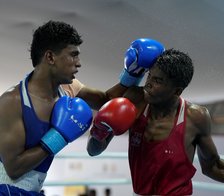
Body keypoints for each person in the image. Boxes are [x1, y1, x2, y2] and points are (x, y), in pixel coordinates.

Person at [87, 48, 224, 195]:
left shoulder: (196, 116)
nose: (148, 84)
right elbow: (93, 151)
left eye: (158, 81)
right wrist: (100, 130)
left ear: (177, 90)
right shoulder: (135, 100)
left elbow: (212, 166)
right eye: (150, 76)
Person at [0, 20, 164, 195]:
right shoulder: (13, 101)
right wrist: (59, 136)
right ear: (50, 57)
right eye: (73, 55)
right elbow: (14, 169)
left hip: (34, 190)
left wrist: (132, 73)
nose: (78, 63)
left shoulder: (67, 89)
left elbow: (106, 101)